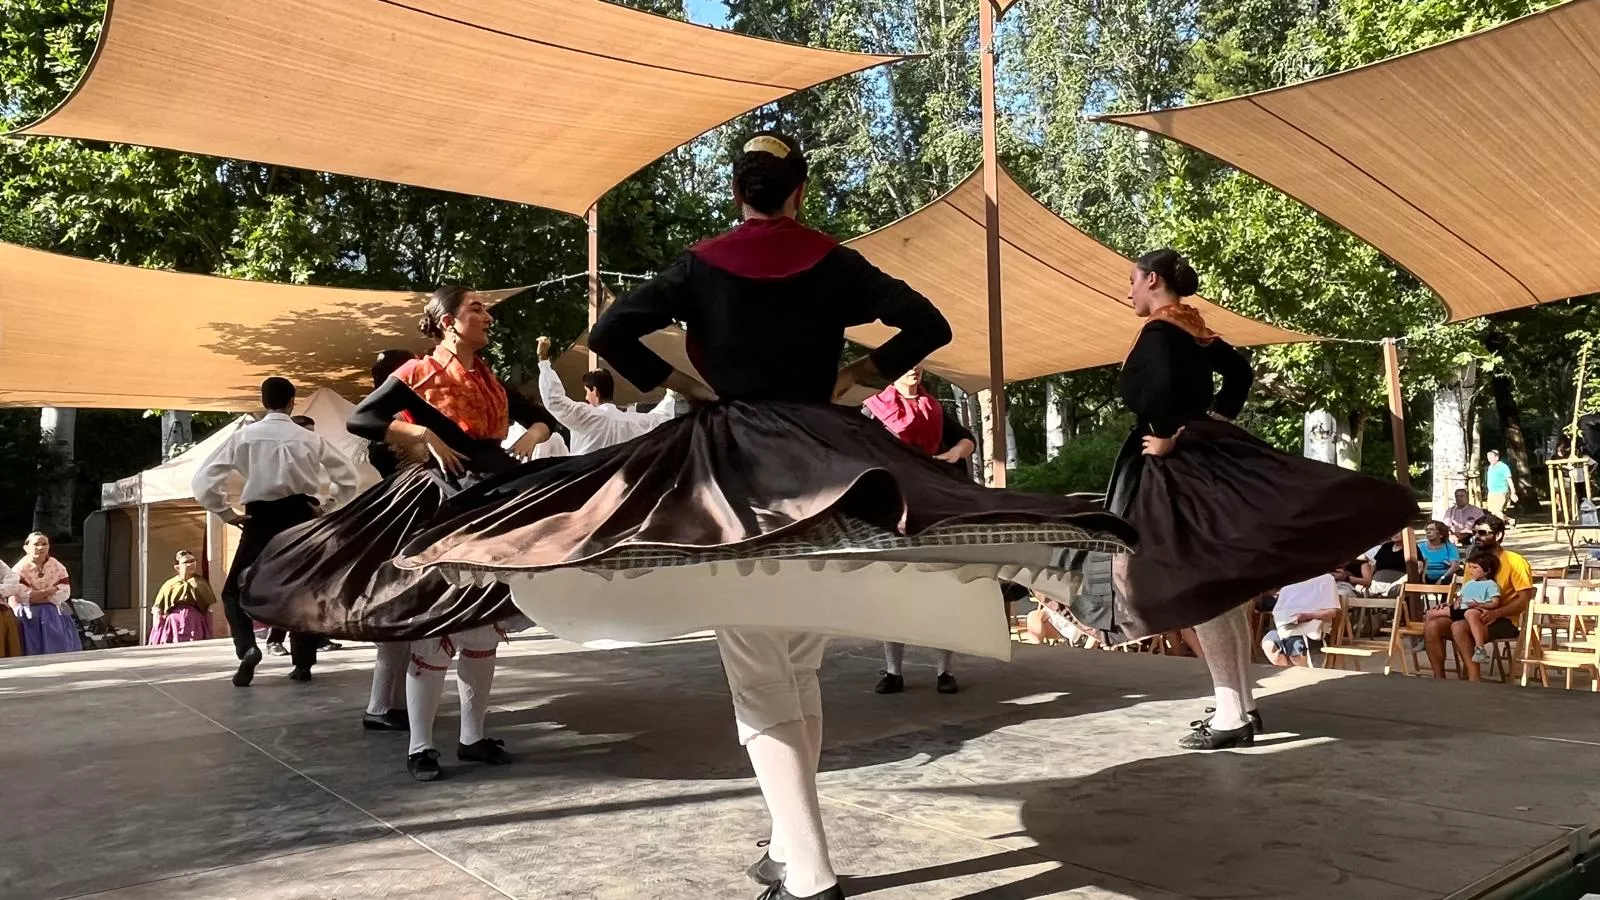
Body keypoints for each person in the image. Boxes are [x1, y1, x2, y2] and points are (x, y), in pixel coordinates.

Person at [381, 133, 1135, 900]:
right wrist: (855, 377)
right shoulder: (833, 260)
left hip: (728, 463)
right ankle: (786, 845)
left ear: (739, 193)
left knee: (760, 673)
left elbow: (609, 336)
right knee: (794, 663)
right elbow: (928, 325)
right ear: (798, 191)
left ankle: (809, 873)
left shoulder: (700, 263)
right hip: (827, 454)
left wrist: (684, 377)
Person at [1069, 248, 1416, 751]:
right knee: (1220, 590)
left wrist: (1170, 436)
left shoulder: (1160, 331)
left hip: (1173, 469)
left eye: (1131, 281)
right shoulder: (1193, 326)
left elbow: (1162, 387)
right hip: (1205, 455)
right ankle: (1241, 705)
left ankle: (1232, 715)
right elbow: (1240, 373)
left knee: (1200, 585)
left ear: (1151, 280)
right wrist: (1216, 422)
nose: (1128, 291)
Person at [238, 287, 559, 782]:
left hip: (495, 499)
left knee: (481, 626)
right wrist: (420, 434)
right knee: (433, 625)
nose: (487, 315)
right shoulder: (417, 373)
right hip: (440, 501)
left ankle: (472, 737)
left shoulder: (489, 378)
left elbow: (543, 419)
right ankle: (421, 745)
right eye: (476, 308)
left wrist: (534, 434)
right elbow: (363, 418)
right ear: (448, 322)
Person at [193, 377, 362, 685]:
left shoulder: (244, 437)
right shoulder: (310, 438)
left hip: (261, 517)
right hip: (302, 517)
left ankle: (247, 649)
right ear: (291, 402)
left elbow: (204, 479)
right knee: (306, 589)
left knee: (233, 591)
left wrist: (226, 512)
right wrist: (329, 506)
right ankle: (303, 664)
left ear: (263, 401)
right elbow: (348, 475)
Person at [862, 364, 975, 695]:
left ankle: (944, 672)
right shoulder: (873, 409)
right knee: (893, 592)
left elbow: (966, 440)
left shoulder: (935, 409)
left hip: (934, 505)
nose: (912, 368)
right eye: (906, 362)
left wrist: (953, 454)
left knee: (940, 587)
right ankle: (893, 672)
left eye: (917, 362)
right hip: (893, 507)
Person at [1423, 514, 1533, 683]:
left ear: (1498, 535)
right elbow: (1469, 593)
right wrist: (1454, 604)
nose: (1476, 537)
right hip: (1473, 613)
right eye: (1474, 532)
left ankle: (1474, 678)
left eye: (1482, 532)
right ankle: (1439, 679)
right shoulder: (1473, 563)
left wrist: (1496, 613)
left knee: (1460, 626)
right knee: (1432, 625)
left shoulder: (1515, 562)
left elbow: (1524, 599)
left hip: (1505, 619)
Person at [534, 335, 678, 453]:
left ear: (594, 390)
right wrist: (671, 395)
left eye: (586, 392)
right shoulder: (632, 421)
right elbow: (660, 417)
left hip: (584, 481)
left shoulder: (587, 417)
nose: (585, 398)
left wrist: (543, 360)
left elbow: (555, 400)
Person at [11, 533, 82, 655]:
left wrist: (41, 597)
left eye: (44, 544)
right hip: (28, 612)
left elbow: (65, 592)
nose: (41, 547)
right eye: (36, 544)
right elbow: (24, 596)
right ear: (26, 547)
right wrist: (50, 591)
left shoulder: (57, 565)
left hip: (54, 609)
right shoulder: (19, 569)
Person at [1425, 552, 1500, 666]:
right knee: (1431, 613)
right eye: (1470, 567)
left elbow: (1495, 603)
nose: (1471, 570)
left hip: (1475, 608)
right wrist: (1454, 602)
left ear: (1487, 570)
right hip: (1460, 608)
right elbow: (1461, 596)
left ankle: (1480, 648)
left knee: (1471, 614)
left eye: (1475, 568)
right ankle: (1424, 638)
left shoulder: (1490, 584)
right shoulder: (1469, 584)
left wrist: (1479, 605)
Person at [1260, 573, 1339, 667]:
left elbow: (1332, 612)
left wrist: (1308, 616)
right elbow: (1278, 610)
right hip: (1287, 628)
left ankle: (1299, 678)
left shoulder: (1326, 579)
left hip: (1311, 629)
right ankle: (1288, 676)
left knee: (1295, 645)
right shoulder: (1289, 581)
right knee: (1269, 644)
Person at [148, 550, 216, 644]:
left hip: (195, 622)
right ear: (177, 567)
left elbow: (209, 608)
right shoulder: (169, 584)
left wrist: (209, 630)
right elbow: (158, 609)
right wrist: (156, 632)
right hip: (173, 623)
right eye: (186, 562)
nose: (191, 564)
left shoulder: (201, 583)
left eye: (193, 561)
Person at [1417, 521, 1461, 585]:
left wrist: (1442, 578)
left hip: (1445, 577)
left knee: (1449, 579)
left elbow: (1455, 566)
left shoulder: (1450, 547)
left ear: (1441, 534)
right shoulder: (1419, 547)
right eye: (1427, 530)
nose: (1428, 532)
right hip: (1424, 576)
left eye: (1432, 530)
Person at [1485, 450, 1517, 525]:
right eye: (1488, 458)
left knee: (1497, 510)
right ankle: (1507, 522)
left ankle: (1509, 521)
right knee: (1492, 511)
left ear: (1497, 457)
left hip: (1501, 491)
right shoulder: (1490, 467)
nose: (1489, 460)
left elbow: (1509, 480)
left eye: (1491, 458)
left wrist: (1513, 493)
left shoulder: (1503, 467)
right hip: (1492, 492)